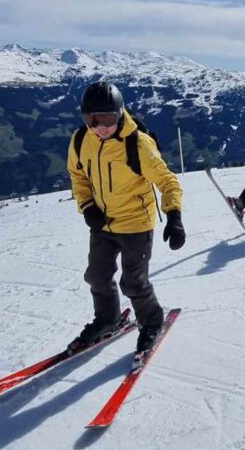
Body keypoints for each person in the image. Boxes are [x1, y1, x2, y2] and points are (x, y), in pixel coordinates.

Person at [66, 81, 185, 356]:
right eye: (92, 119)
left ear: (119, 113)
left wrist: (174, 217)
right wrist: (87, 206)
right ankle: (108, 318)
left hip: (135, 224)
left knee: (133, 282)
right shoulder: (81, 139)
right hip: (102, 224)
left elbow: (168, 182)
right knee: (97, 275)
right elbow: (78, 175)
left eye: (106, 118)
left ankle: (152, 320)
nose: (100, 127)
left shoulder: (138, 144)